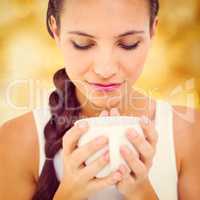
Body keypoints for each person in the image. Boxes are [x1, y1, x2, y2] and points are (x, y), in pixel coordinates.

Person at [0, 0, 200, 199]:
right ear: (55, 30)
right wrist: (68, 194)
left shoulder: (189, 132)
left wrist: (142, 192)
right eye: (82, 44)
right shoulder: (17, 140)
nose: (105, 70)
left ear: (152, 30)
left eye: (128, 44)